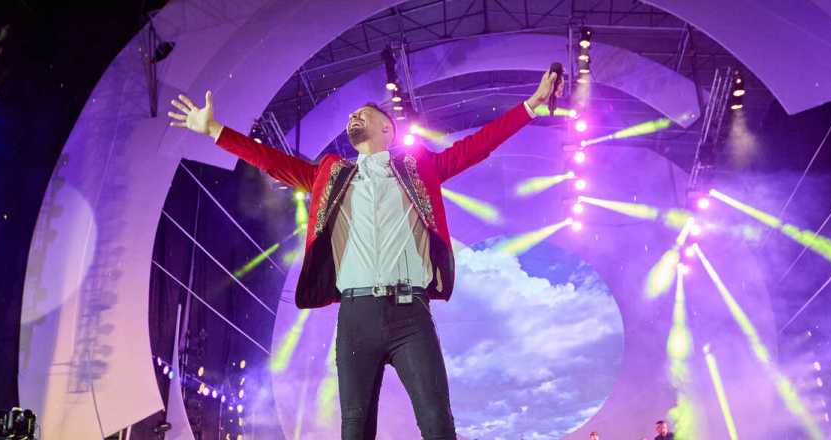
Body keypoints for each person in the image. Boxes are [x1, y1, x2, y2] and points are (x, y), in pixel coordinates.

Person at [169, 69, 560, 439]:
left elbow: (477, 146)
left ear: (388, 129)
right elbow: (274, 163)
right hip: (357, 317)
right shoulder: (331, 175)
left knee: (437, 422)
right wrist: (216, 131)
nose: (352, 116)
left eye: (363, 113)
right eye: (351, 115)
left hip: (411, 316)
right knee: (355, 427)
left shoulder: (419, 168)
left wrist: (530, 106)